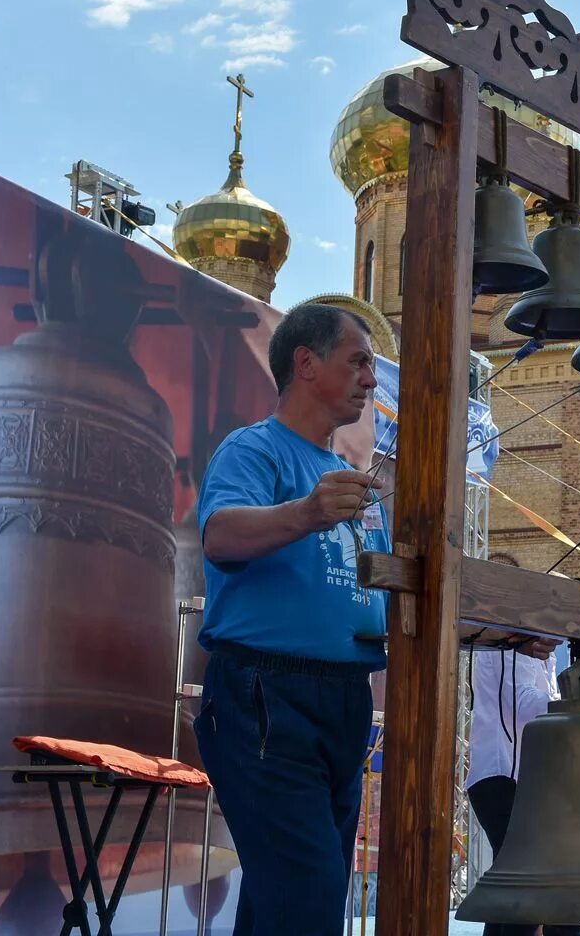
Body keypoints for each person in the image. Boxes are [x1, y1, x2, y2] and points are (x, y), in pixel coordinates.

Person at [193, 304, 387, 934]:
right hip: (267, 698)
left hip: (341, 703)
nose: (371, 379)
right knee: (309, 898)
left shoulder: (348, 480)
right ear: (306, 362)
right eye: (358, 360)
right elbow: (219, 535)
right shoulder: (253, 449)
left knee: (287, 901)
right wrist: (305, 512)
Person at [465, 638, 580, 936]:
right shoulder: (502, 647)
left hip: (529, 783)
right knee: (527, 878)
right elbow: (523, 707)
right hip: (500, 778)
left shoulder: (544, 658)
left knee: (514, 882)